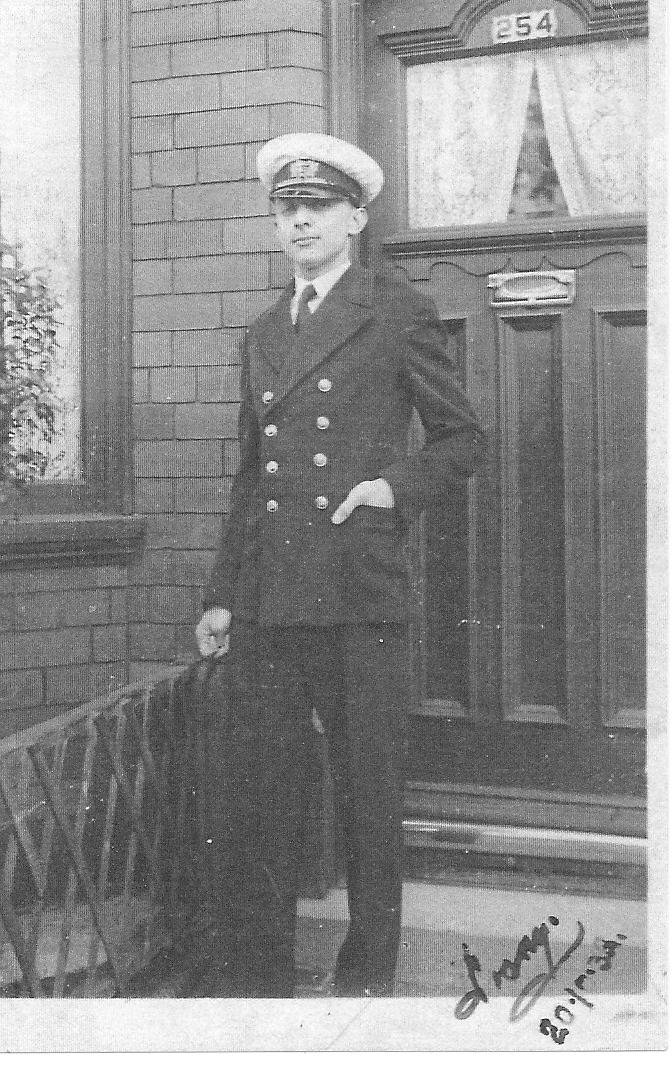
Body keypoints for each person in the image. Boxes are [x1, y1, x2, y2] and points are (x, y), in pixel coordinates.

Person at [195, 132, 485, 998]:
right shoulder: (261, 332)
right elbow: (255, 477)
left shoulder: (394, 311)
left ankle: (367, 977)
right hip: (272, 602)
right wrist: (221, 598)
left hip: (358, 596)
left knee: (367, 796)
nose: (300, 222)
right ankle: (258, 977)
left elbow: (461, 438)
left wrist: (392, 488)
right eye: (287, 209)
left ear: (355, 217)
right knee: (262, 793)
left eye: (317, 207)